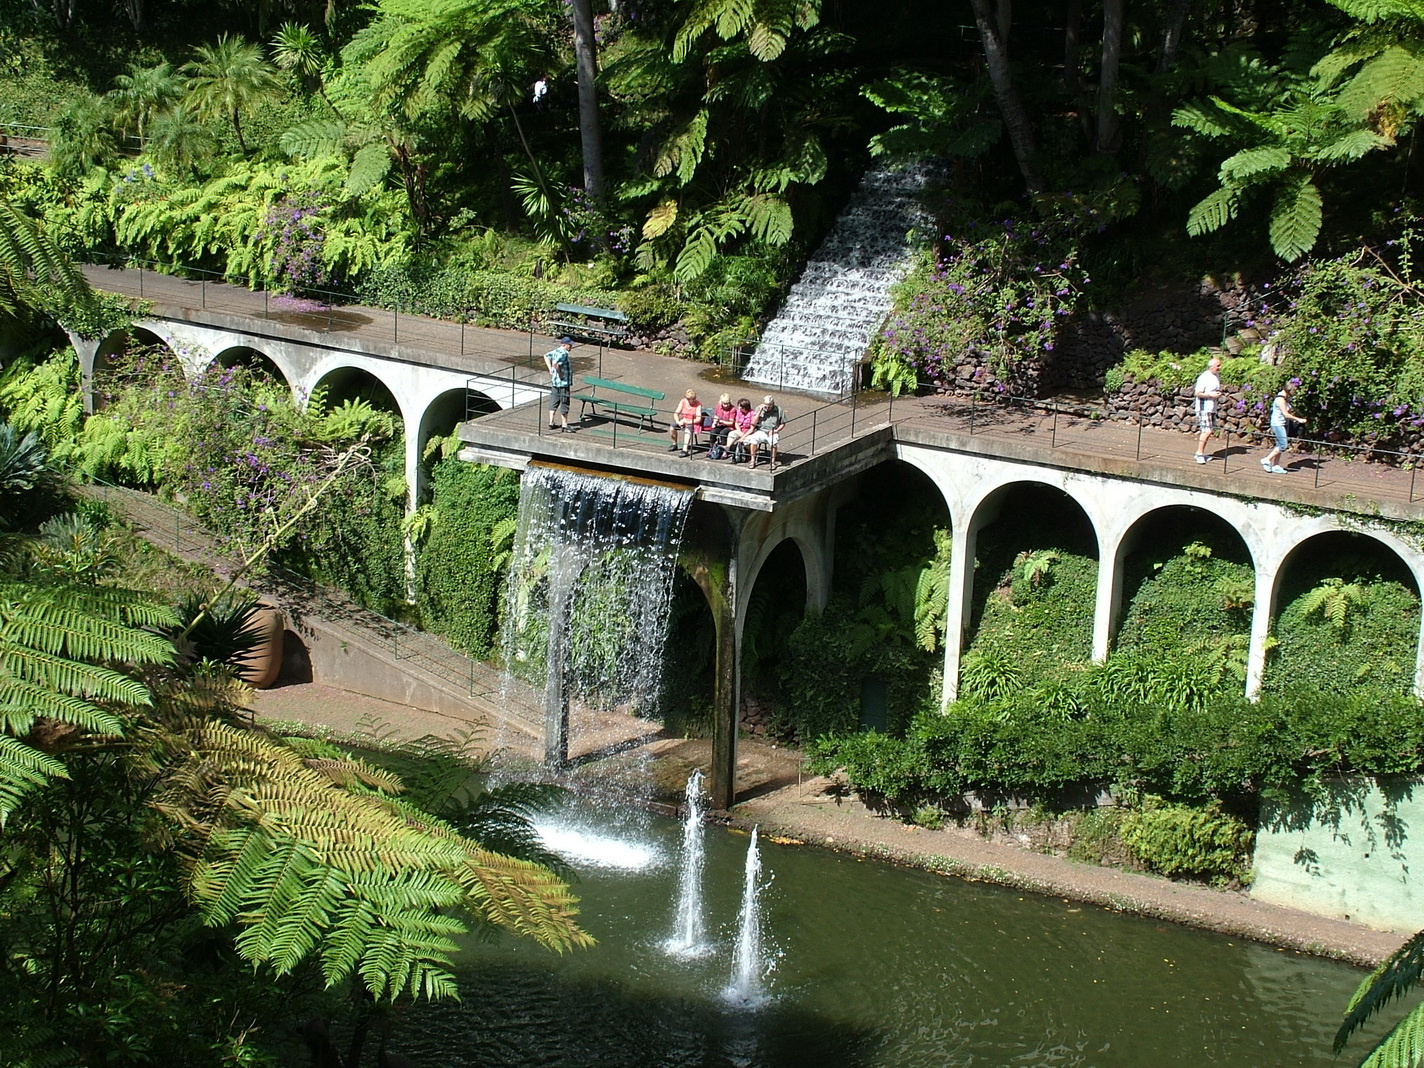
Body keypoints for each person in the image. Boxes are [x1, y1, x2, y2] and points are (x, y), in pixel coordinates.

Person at [1261, 380, 1307, 473]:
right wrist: (1298, 419)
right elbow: (1285, 414)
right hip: (1278, 424)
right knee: (1283, 445)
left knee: (1279, 444)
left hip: (1283, 423)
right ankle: (1266, 459)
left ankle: (1276, 465)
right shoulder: (1280, 399)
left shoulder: (1285, 397)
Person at [1192, 356, 1222, 464]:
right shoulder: (1204, 377)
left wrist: (1217, 394)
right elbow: (1197, 392)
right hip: (1204, 408)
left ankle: (1201, 453)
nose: (1219, 368)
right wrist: (1210, 395)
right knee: (1207, 431)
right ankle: (1199, 453)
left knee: (1209, 431)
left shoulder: (1216, 375)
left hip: (1212, 407)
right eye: (1218, 366)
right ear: (1212, 366)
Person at [745, 394, 786, 471]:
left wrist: (776, 430)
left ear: (773, 404)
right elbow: (753, 422)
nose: (767, 407)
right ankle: (752, 459)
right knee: (753, 439)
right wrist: (760, 411)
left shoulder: (779, 410)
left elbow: (783, 423)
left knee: (774, 442)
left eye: (769, 406)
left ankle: (773, 462)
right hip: (761, 430)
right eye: (766, 405)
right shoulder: (759, 408)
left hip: (773, 431)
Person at [544, 336, 574, 432]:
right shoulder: (563, 354)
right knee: (564, 403)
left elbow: (546, 356)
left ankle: (551, 423)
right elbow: (556, 364)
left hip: (555, 383)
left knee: (554, 402)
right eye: (569, 345)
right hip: (563, 383)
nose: (571, 347)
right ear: (564, 345)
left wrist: (550, 370)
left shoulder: (556, 351)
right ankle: (564, 425)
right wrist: (560, 374)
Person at [668, 388, 703, 456]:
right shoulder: (683, 401)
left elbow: (698, 419)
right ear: (687, 399)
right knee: (672, 426)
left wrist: (687, 422)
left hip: (693, 422)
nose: (694, 400)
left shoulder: (698, 404)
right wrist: (678, 422)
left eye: (695, 398)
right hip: (683, 420)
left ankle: (685, 449)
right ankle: (674, 444)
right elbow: (676, 413)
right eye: (692, 399)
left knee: (688, 429)